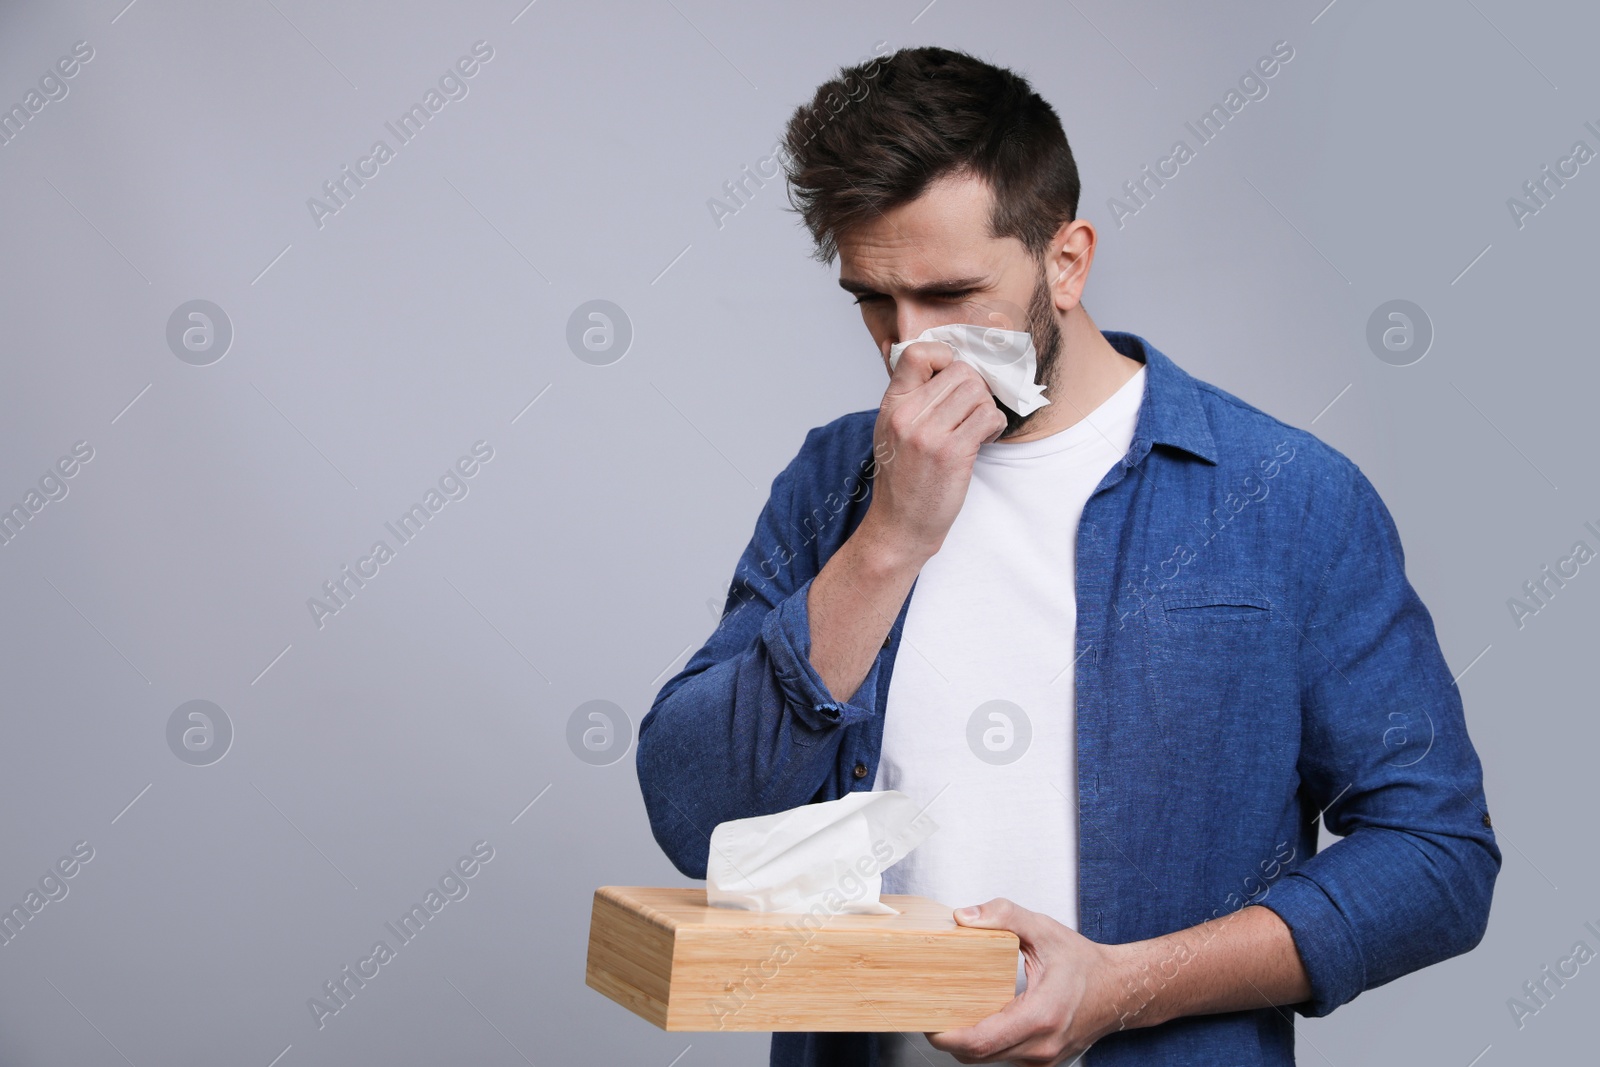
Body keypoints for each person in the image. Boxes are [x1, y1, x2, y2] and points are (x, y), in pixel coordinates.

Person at [636, 45, 1499, 1067]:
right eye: (873, 299)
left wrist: (1125, 987)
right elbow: (701, 820)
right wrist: (890, 540)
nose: (911, 347)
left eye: (953, 294)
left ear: (1066, 260)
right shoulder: (836, 483)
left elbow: (1436, 858)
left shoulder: (1290, 497)